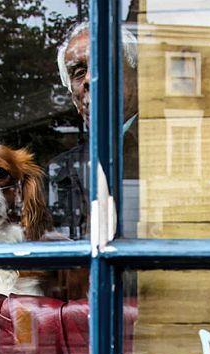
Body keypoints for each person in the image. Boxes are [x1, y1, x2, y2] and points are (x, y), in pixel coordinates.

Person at [49, 22, 140, 239]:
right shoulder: (58, 171)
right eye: (79, 72)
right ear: (73, 95)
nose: (89, 79)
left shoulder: (169, 151)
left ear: (136, 76)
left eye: (104, 64)